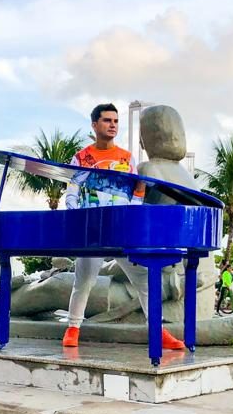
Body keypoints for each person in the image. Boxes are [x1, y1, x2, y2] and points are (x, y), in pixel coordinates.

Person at [61, 103, 185, 350]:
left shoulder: (126, 158)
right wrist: (76, 216)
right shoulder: (82, 157)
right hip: (93, 230)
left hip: (122, 230)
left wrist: (137, 199)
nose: (113, 125)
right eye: (107, 120)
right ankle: (73, 328)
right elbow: (72, 190)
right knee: (84, 281)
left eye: (116, 121)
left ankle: (158, 331)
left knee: (145, 280)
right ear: (95, 124)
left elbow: (134, 195)